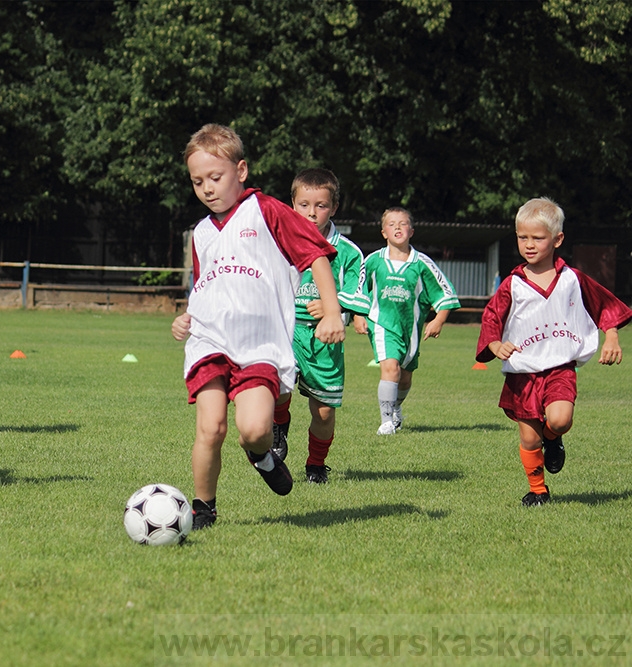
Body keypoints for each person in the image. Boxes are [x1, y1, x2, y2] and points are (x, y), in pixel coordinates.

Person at [170, 124, 344, 530]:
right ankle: (203, 509)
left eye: (216, 177)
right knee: (211, 427)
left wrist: (333, 311)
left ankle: (262, 455)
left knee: (253, 430)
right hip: (209, 340)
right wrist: (186, 316)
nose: (207, 188)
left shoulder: (265, 211)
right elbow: (205, 287)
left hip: (259, 345)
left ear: (241, 170)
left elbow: (316, 255)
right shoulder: (201, 233)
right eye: (198, 181)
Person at [476, 197, 631, 506]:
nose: (529, 244)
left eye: (538, 238)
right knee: (528, 438)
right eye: (523, 237)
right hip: (522, 370)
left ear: (557, 239)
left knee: (559, 420)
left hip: (560, 365)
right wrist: (495, 344)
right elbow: (492, 317)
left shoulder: (572, 279)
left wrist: (611, 336)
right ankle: (538, 490)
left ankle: (554, 438)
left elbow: (604, 306)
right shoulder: (513, 283)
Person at [270, 168, 365, 484]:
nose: (311, 213)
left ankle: (315, 465)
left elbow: (361, 295)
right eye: (304, 205)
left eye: (320, 205)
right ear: (292, 204)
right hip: (284, 330)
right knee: (276, 389)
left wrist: (332, 307)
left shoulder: (348, 252)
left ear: (334, 207)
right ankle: (278, 425)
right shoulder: (278, 244)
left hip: (324, 340)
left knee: (323, 412)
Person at [351, 207, 460, 435]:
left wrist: (439, 319)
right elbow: (358, 289)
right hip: (381, 323)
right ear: (383, 232)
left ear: (411, 231)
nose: (397, 228)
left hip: (411, 329)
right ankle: (386, 422)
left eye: (402, 224)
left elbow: (444, 292)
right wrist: (358, 315)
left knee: (405, 376)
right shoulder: (373, 261)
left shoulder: (422, 264)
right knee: (390, 367)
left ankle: (396, 408)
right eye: (392, 224)